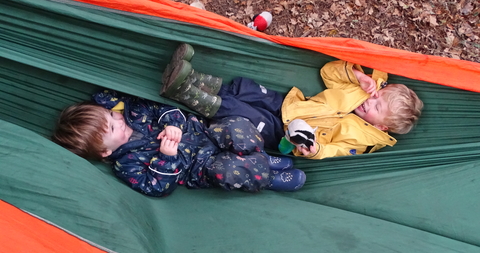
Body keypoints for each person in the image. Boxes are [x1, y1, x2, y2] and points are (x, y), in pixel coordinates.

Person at [160, 43, 423, 160]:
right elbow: (328, 72)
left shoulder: (365, 141)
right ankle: (192, 77)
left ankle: (184, 92)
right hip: (292, 103)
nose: (370, 103)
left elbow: (335, 150)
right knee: (245, 88)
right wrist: (358, 77)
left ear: (382, 128)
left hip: (287, 134)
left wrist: (316, 149)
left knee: (241, 112)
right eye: (377, 99)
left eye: (377, 109)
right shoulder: (363, 93)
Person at [52, 90, 306, 197]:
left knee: (236, 125)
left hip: (206, 134)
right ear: (106, 151)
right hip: (202, 165)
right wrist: (167, 157)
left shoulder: (133, 113)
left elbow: (158, 106)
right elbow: (155, 188)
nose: (117, 120)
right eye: (111, 127)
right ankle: (266, 176)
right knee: (229, 170)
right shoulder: (125, 165)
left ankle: (259, 157)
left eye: (110, 115)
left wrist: (172, 123)